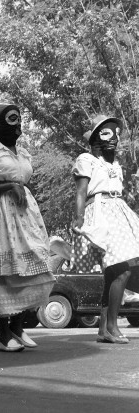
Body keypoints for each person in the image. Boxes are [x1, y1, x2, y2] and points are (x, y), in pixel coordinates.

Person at [0, 102, 55, 352]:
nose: (17, 125)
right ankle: (5, 335)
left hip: (24, 216)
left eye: (18, 119)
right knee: (3, 273)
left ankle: (18, 328)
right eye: (11, 119)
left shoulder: (24, 152)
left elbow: (24, 183)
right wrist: (7, 187)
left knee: (27, 269)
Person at [71, 115, 139, 343]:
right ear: (96, 137)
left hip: (119, 212)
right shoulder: (86, 159)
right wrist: (78, 220)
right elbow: (81, 191)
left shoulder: (115, 164)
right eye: (108, 133)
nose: (115, 139)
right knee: (122, 270)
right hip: (100, 213)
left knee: (114, 272)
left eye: (117, 134)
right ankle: (111, 326)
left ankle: (104, 329)